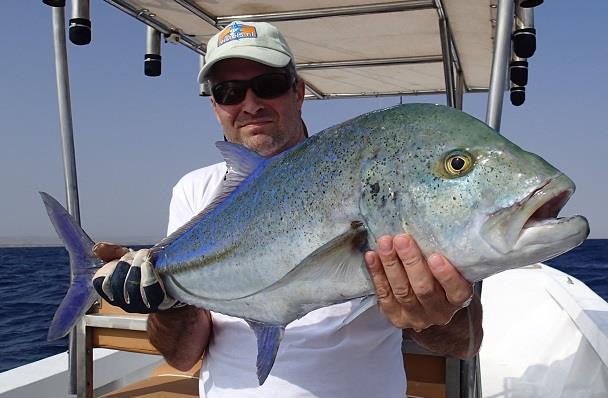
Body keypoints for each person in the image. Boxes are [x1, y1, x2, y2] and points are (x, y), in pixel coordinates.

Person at [92, 21, 482, 398]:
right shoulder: (195, 190)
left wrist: (435, 314)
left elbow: (466, 342)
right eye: (229, 92)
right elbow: (183, 356)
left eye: (269, 86)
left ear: (298, 91)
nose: (250, 104)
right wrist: (165, 304)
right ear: (215, 106)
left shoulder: (370, 175)